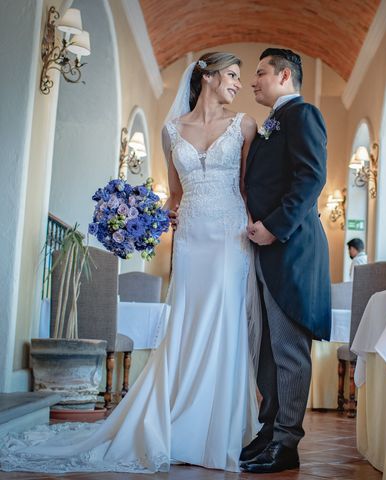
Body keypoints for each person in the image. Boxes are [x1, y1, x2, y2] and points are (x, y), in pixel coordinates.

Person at [0, 52, 260, 473]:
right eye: (232, 75)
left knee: (225, 320)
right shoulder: (171, 130)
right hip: (192, 236)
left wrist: (255, 227)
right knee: (188, 322)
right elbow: (175, 195)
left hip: (231, 235)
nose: (237, 84)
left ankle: (217, 430)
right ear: (208, 77)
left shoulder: (244, 124)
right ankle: (174, 420)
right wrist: (153, 216)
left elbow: (249, 187)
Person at [240, 48, 331, 474]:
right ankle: (269, 430)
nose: (253, 80)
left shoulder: (303, 114)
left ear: (283, 75)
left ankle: (287, 442)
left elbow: (311, 176)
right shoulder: (273, 124)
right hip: (266, 247)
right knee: (268, 351)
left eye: (260, 73)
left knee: (289, 349)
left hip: (291, 248)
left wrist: (274, 226)